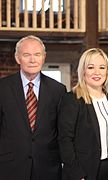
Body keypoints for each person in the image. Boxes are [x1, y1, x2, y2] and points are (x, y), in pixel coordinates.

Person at [0, 35, 66, 180]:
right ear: (17, 58)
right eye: (26, 55)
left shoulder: (58, 90)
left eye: (37, 55)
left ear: (44, 57)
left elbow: (62, 132)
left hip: (48, 169)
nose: (32, 60)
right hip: (9, 168)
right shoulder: (2, 88)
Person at [58, 48, 108, 180]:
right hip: (87, 172)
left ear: (107, 71)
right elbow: (64, 140)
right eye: (90, 67)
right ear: (83, 71)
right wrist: (78, 174)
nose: (97, 72)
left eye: (102, 67)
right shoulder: (72, 99)